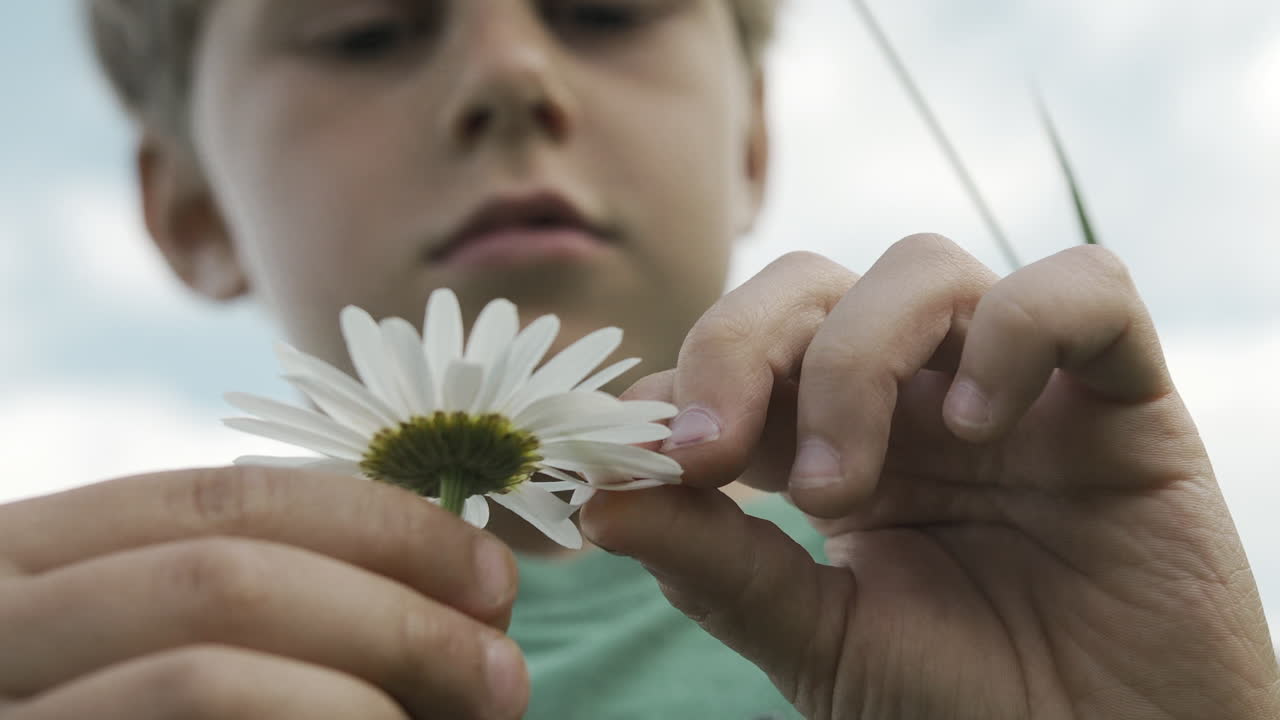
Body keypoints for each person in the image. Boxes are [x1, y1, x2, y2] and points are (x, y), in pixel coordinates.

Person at [1, 0, 1276, 717]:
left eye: (607, 9)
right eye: (367, 29)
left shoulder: (987, 611)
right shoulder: (74, 659)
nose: (509, 74)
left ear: (754, 142)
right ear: (189, 211)